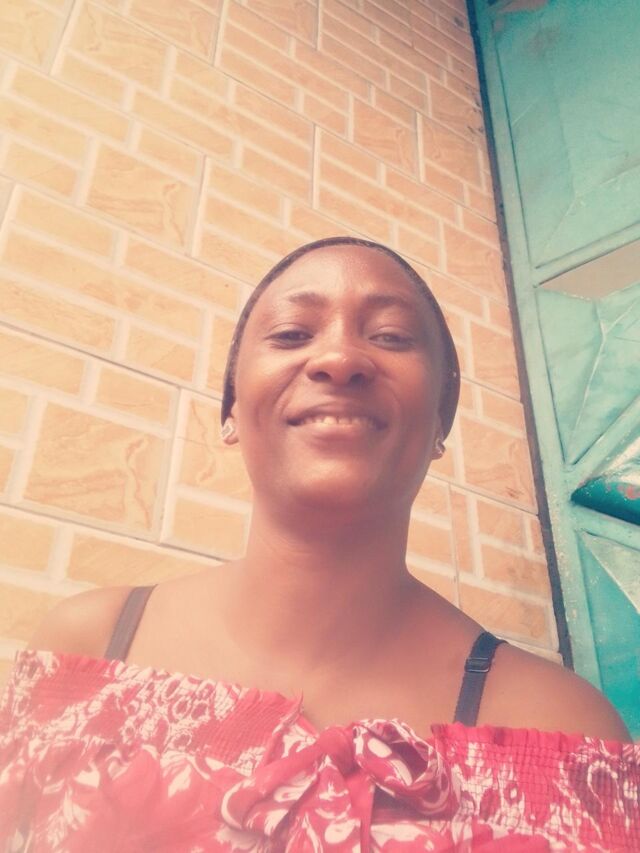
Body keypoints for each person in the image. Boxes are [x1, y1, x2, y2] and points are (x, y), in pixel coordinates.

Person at [0, 236, 638, 851]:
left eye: (391, 336)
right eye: (290, 333)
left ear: (440, 424)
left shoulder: (566, 732)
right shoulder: (87, 647)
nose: (338, 358)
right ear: (230, 410)